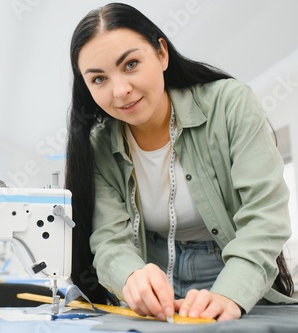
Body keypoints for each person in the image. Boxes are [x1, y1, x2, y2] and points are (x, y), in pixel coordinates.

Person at [65, 2, 297, 322]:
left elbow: (265, 215)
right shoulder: (100, 144)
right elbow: (109, 240)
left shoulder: (229, 103)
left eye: (131, 64)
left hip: (236, 271)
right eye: (99, 79)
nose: (120, 91)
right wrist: (131, 277)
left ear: (161, 54)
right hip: (156, 289)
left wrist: (230, 293)